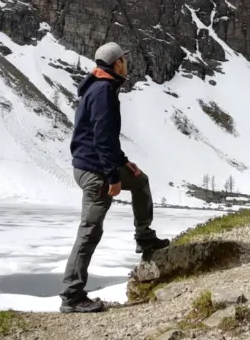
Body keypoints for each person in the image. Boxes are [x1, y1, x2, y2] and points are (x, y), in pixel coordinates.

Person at [59, 42, 170, 314]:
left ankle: (145, 239)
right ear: (117, 63)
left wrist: (123, 163)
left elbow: (105, 137)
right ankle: (71, 296)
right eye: (124, 59)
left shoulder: (98, 87)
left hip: (92, 165)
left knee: (140, 181)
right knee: (90, 231)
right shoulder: (103, 91)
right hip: (95, 171)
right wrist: (113, 176)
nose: (127, 63)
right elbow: (101, 138)